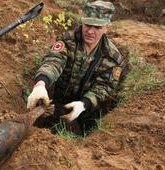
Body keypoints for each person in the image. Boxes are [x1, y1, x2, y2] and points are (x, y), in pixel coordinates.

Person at [27, 1, 127, 132]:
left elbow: (104, 87)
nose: (90, 31)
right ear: (82, 21)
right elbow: (53, 62)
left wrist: (84, 104)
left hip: (87, 111)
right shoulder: (68, 41)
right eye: (87, 25)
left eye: (97, 27)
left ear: (107, 27)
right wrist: (40, 84)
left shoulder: (112, 58)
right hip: (58, 103)